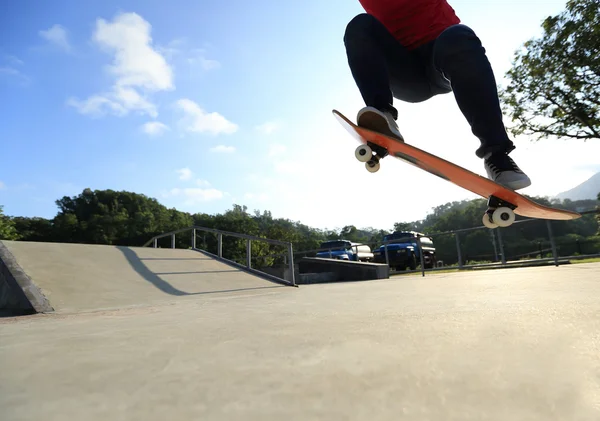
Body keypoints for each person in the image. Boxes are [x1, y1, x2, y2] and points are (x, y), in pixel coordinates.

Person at [344, 0, 531, 190]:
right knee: (360, 26)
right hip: (404, 72)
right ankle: (381, 118)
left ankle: (497, 156)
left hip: (443, 56)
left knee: (458, 35)